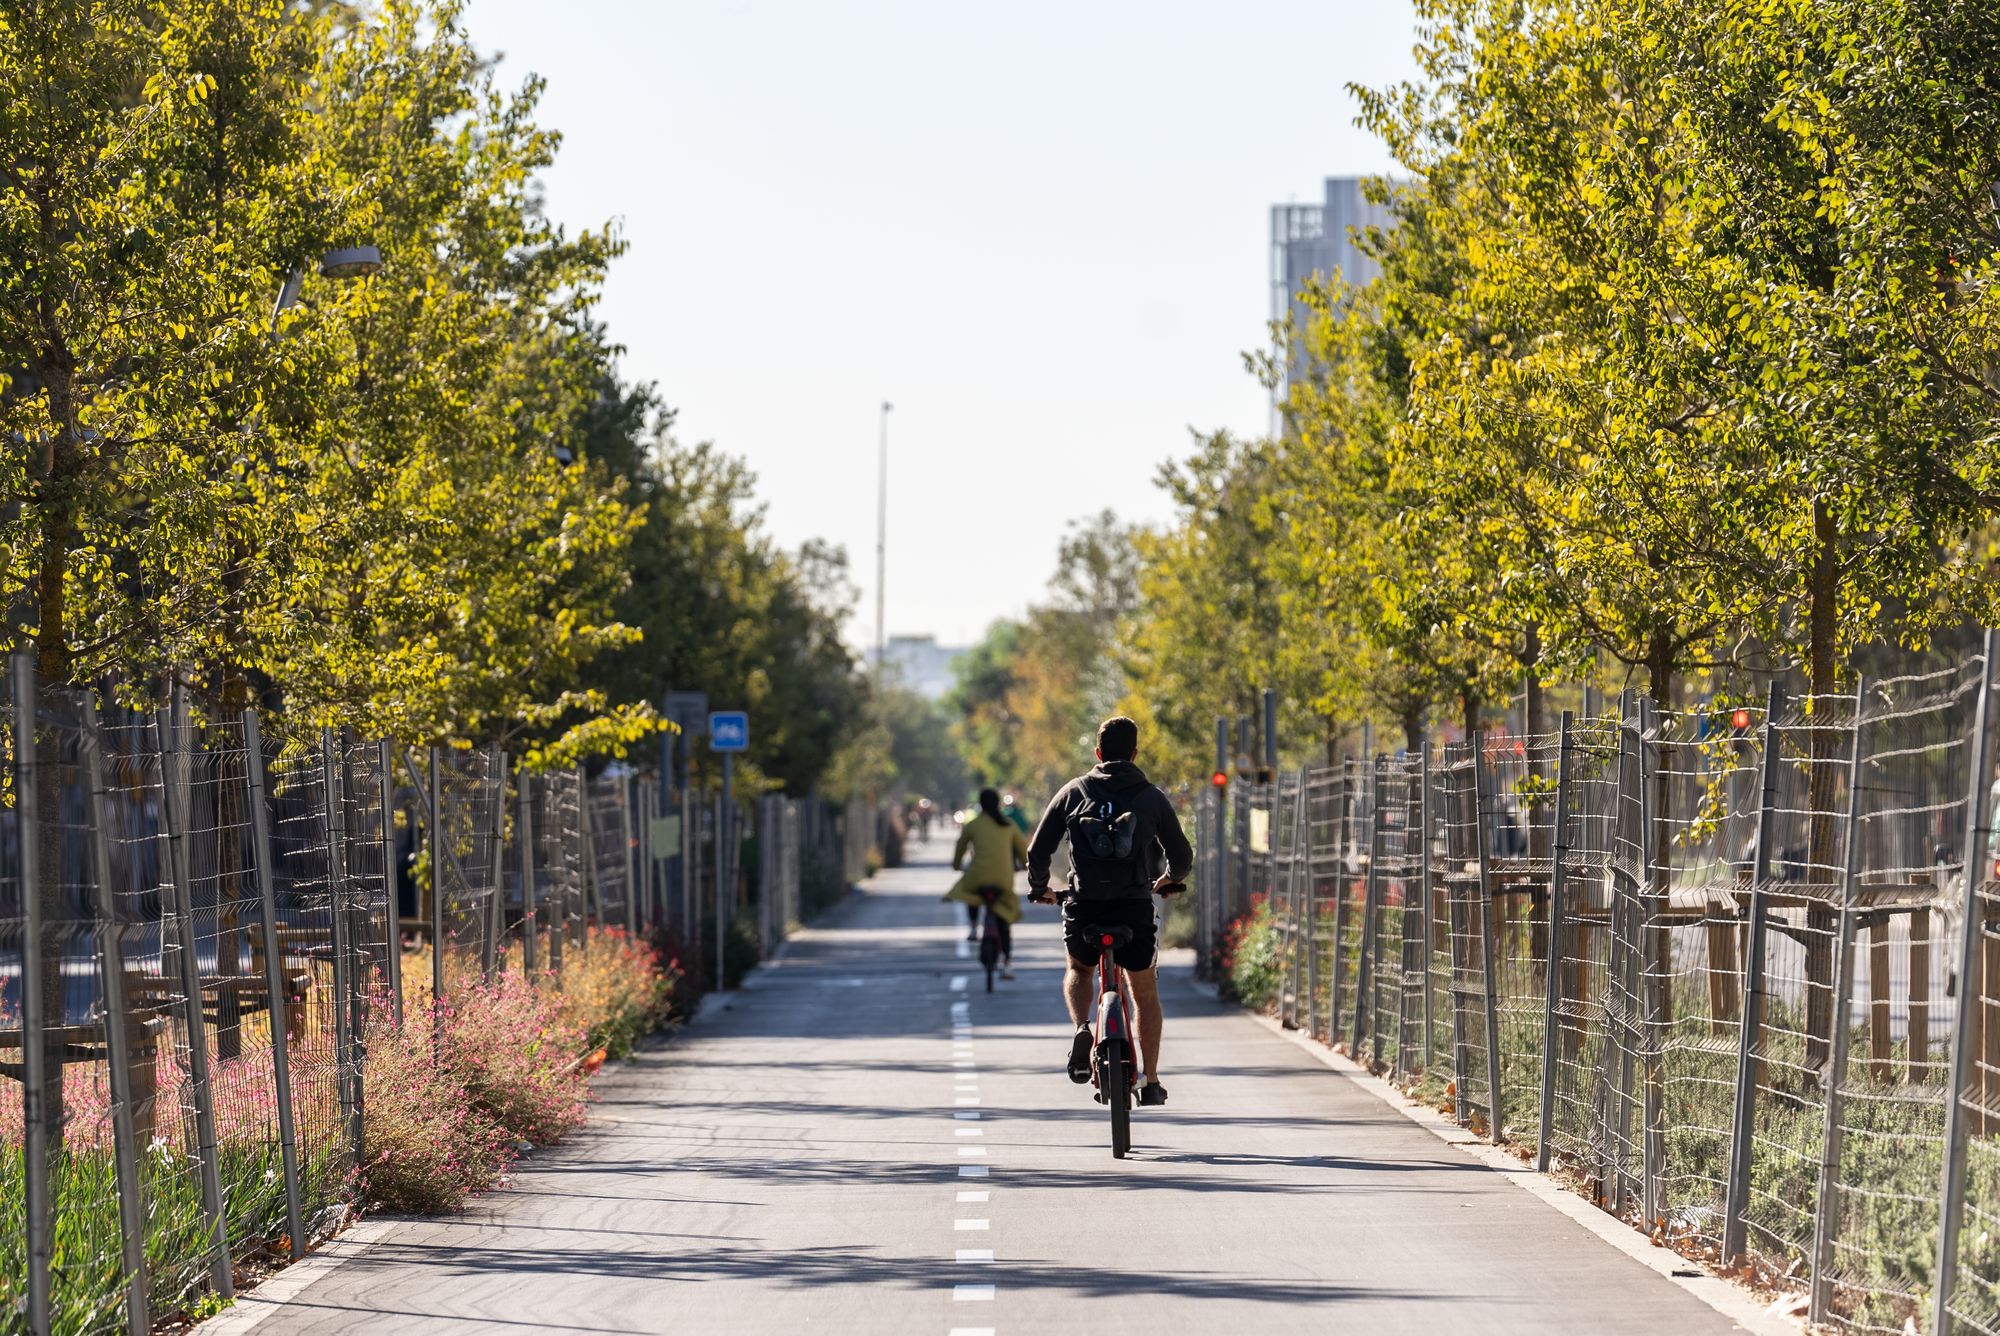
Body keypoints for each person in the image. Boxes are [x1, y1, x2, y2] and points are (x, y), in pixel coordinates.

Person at [1026, 715, 1192, 1106]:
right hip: (1134, 907)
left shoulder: (1073, 791)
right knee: (1144, 991)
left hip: (1084, 906)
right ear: (1134, 753)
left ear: (1097, 753)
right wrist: (1169, 878)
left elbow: (1038, 852)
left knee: (1080, 968)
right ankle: (1150, 1080)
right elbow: (1181, 856)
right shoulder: (1151, 796)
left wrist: (1040, 889)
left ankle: (1083, 1025)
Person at [945, 788, 1028, 977]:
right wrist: (1024, 866)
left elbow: (960, 847)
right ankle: (1007, 963)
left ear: (981, 805)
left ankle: (974, 926)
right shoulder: (1008, 824)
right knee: (1004, 919)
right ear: (998, 804)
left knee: (969, 890)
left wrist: (957, 865)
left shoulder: (973, 825)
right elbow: (1022, 849)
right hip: (1003, 880)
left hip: (978, 877)